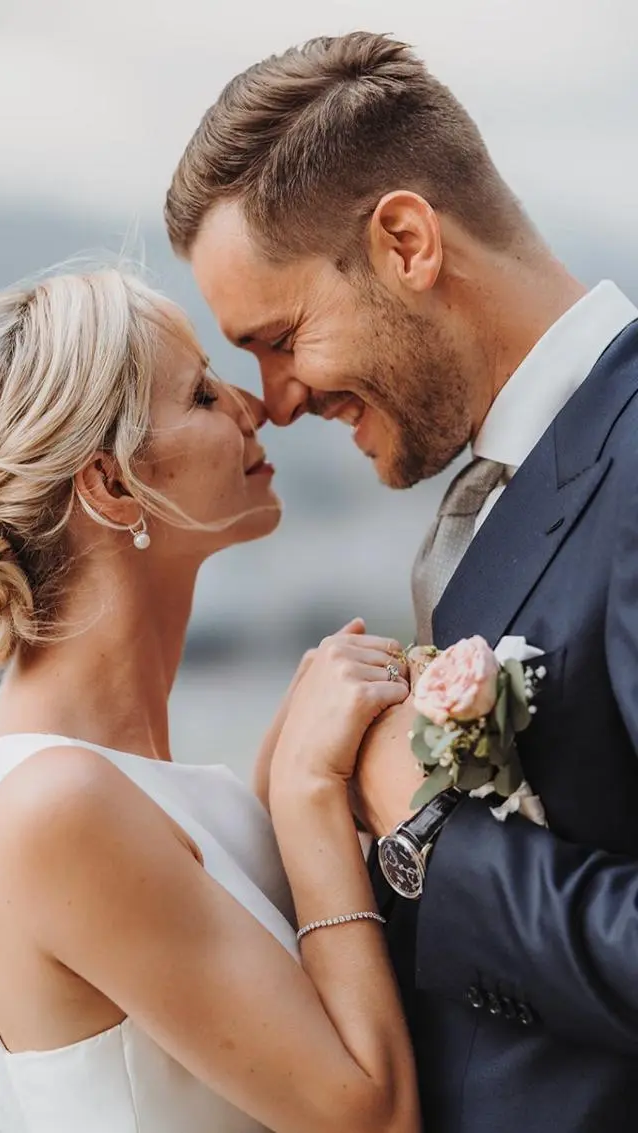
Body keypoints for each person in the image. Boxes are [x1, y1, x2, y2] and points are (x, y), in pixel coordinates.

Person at [166, 30, 638, 1133]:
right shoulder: (516, 481)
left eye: (280, 337)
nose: (275, 400)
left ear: (407, 242)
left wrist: (430, 838)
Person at [0, 267, 420, 1133]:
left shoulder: (84, 776)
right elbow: (375, 1116)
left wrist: (277, 788)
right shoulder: (55, 804)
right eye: (203, 393)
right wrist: (306, 797)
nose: (255, 407)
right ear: (110, 484)